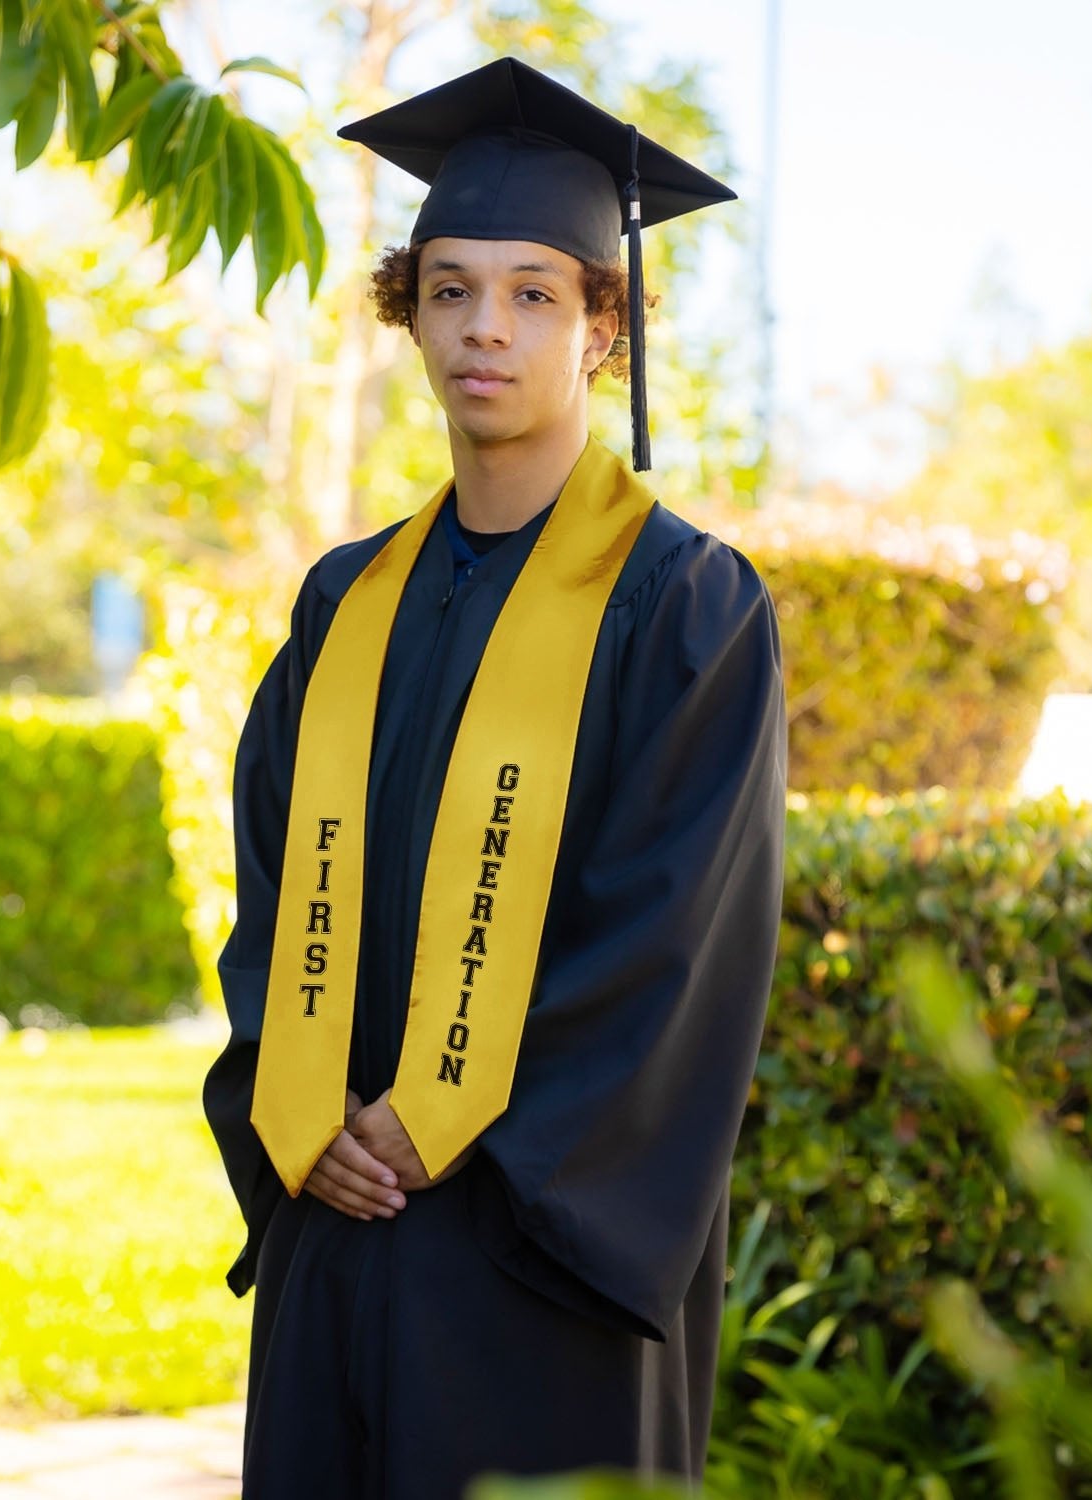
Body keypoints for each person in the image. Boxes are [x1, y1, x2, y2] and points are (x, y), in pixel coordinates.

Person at [204, 55, 787, 1500]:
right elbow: (274, 887)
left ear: (605, 329)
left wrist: (457, 1120)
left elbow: (672, 943)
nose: (486, 329)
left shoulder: (687, 608)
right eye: (451, 287)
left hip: (540, 1255)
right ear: (410, 316)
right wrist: (310, 1101)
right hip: (339, 1214)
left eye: (536, 292)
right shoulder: (347, 602)